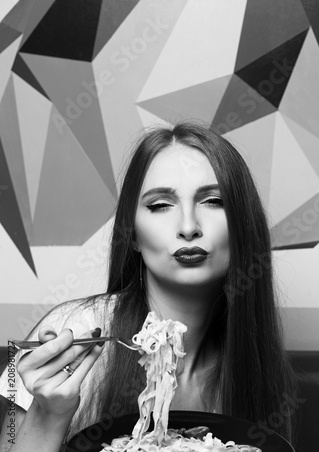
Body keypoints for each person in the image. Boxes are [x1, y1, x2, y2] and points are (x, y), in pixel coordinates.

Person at [0, 121, 297, 451]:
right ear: (134, 234)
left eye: (213, 201)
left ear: (243, 224)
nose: (188, 227)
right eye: (159, 205)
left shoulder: (253, 358)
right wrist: (47, 413)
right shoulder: (77, 328)